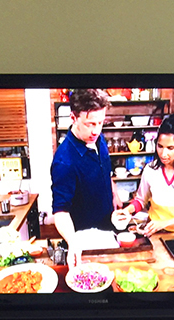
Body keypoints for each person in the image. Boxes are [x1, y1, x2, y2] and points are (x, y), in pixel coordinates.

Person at [50, 89, 127, 265]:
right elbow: (60, 212)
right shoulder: (64, 161)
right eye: (90, 124)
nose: (96, 130)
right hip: (84, 239)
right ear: (73, 118)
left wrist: (113, 192)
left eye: (100, 122)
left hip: (108, 228)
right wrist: (73, 242)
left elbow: (105, 169)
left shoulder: (98, 138)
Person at [121, 114, 174, 236]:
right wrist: (126, 211)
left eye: (170, 148)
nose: (163, 153)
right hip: (152, 233)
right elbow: (140, 200)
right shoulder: (150, 169)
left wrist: (163, 223)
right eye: (160, 146)